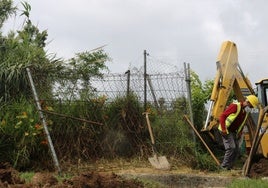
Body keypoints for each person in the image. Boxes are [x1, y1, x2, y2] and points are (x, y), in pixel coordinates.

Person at [218, 95, 259, 170]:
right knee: (231, 147)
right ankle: (223, 166)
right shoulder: (235, 106)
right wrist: (224, 129)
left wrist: (240, 132)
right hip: (225, 130)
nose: (251, 108)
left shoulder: (245, 112)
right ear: (248, 102)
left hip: (233, 131)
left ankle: (229, 167)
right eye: (251, 106)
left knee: (237, 149)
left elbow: (242, 123)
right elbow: (222, 116)